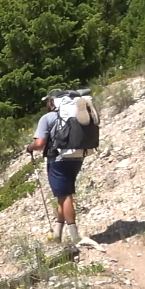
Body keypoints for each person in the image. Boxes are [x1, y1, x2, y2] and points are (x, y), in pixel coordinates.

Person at [26, 95, 91, 246]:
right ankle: (57, 234)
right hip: (77, 157)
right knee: (62, 196)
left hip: (58, 160)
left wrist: (29, 148)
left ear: (51, 103)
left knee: (65, 195)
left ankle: (75, 238)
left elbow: (40, 143)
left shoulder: (47, 118)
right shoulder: (74, 116)